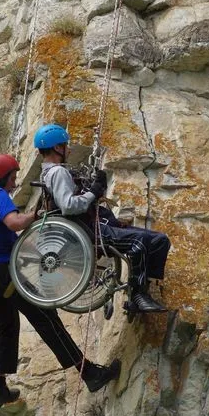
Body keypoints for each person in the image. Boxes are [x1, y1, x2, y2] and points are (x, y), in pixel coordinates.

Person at [0, 153, 121, 407]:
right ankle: (90, 374)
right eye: (13, 177)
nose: (15, 183)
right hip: (0, 270)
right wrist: (34, 216)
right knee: (45, 317)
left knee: (8, 324)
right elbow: (14, 222)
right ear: (3, 176)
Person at [34, 124, 171, 313]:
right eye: (66, 145)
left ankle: (142, 290)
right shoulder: (57, 172)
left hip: (93, 224)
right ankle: (138, 296)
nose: (70, 149)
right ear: (58, 148)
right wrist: (93, 192)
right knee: (138, 242)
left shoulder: (55, 172)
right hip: (86, 230)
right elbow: (68, 206)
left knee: (159, 240)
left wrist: (92, 189)